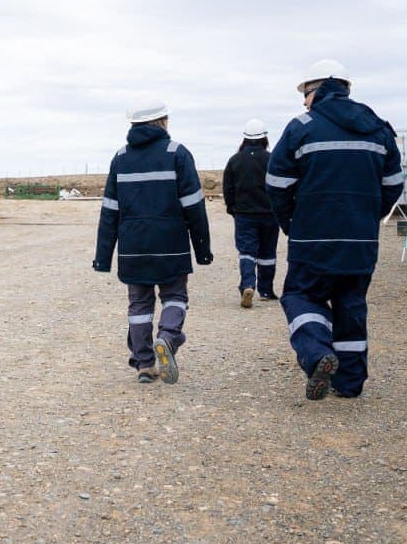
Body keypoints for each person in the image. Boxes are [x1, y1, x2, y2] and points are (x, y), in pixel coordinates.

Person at [265, 60, 403, 400]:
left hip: (313, 238)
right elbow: (394, 183)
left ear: (318, 90)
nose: (303, 101)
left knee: (301, 295)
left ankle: (316, 353)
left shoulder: (301, 127)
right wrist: (369, 216)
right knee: (350, 303)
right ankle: (350, 382)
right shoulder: (378, 128)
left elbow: (277, 183)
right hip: (360, 240)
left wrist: (291, 223)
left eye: (305, 93)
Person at [94, 99, 213, 384]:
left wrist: (103, 257)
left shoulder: (120, 158)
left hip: (133, 247)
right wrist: (202, 249)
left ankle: (145, 364)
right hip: (171, 243)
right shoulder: (177, 153)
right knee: (174, 296)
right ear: (164, 122)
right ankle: (168, 338)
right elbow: (194, 206)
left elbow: (110, 210)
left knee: (139, 305)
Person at [222, 118, 279, 309]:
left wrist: (232, 208)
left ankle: (247, 284)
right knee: (268, 253)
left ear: (244, 139)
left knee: (247, 251)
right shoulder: (272, 160)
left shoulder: (235, 160)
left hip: (244, 213)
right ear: (265, 138)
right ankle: (266, 291)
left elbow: (228, 188)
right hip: (270, 213)